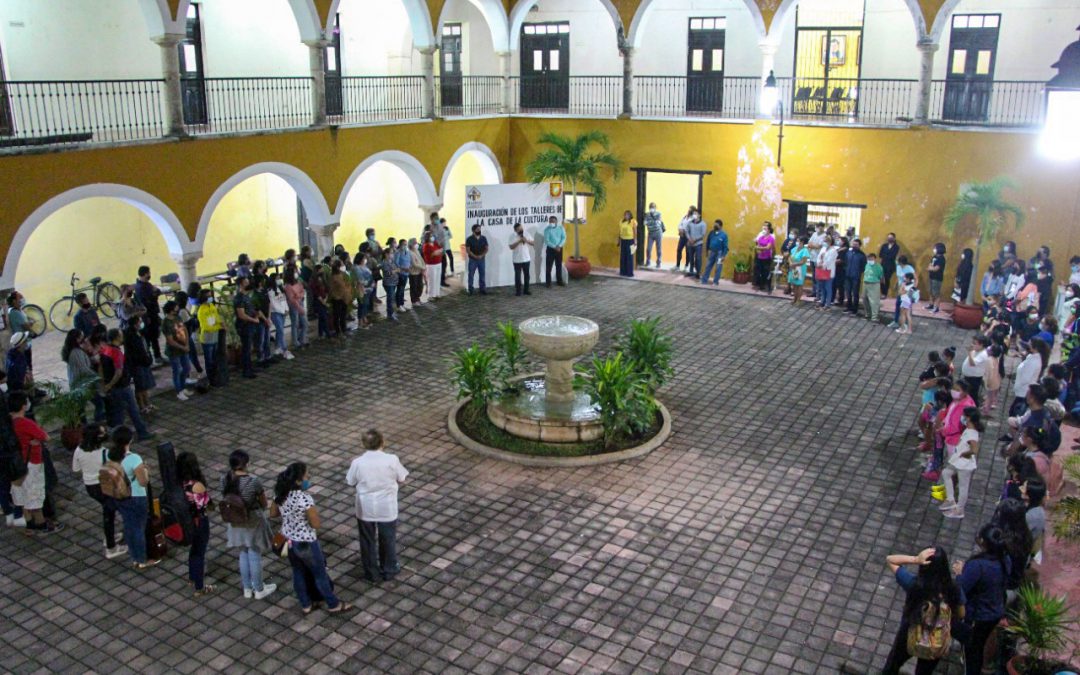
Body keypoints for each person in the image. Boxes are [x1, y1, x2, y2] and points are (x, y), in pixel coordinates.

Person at [271, 462, 352, 614]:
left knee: (298, 572)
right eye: (307, 476)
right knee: (319, 573)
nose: (309, 478)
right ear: (298, 481)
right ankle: (333, 604)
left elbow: (273, 514)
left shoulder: (280, 493)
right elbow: (315, 524)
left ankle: (306, 604)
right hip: (305, 542)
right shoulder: (304, 499)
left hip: (287, 540)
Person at [881, 546, 964, 675]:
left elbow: (890, 560)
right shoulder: (954, 589)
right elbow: (961, 614)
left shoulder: (914, 584)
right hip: (936, 640)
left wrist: (915, 559)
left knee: (893, 665)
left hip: (910, 633)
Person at [345, 429, 409, 583]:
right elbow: (402, 478)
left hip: (365, 507)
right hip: (386, 507)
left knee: (367, 540)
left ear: (363, 444)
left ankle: (371, 572)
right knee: (387, 538)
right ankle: (389, 569)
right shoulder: (392, 460)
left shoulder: (358, 462)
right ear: (383, 442)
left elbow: (350, 481)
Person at [220, 450, 276, 600]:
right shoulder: (253, 481)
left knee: (243, 553)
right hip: (251, 521)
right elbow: (263, 503)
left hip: (234, 521)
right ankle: (258, 589)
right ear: (246, 464)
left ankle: (246, 588)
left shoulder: (224, 479)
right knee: (254, 553)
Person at [954, 525, 1010, 675]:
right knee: (978, 644)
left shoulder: (978, 565)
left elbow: (960, 589)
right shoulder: (1005, 559)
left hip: (978, 615)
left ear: (984, 542)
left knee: (972, 650)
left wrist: (960, 574)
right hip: (995, 611)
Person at [8, 392, 61, 534]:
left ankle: (28, 524)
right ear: (23, 406)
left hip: (15, 465)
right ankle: (41, 523)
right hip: (31, 462)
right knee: (35, 494)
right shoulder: (25, 423)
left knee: (22, 494)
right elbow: (46, 437)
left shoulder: (7, 424)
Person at [71, 422, 124, 557]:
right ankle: (111, 547)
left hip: (90, 487)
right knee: (109, 513)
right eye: (102, 432)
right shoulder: (104, 453)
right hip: (103, 486)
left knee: (108, 511)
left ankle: (110, 536)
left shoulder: (79, 450)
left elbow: (75, 469)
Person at [109, 426, 157, 568]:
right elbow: (143, 482)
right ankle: (141, 559)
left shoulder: (110, 456)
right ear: (130, 440)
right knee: (138, 528)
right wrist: (146, 471)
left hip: (118, 496)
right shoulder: (134, 458)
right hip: (136, 496)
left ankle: (134, 555)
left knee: (129, 525)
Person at [97, 329, 153, 440]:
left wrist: (105, 383)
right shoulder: (116, 352)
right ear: (117, 337)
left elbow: (100, 368)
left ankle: (117, 436)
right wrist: (110, 384)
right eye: (121, 335)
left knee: (118, 414)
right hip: (122, 386)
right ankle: (142, 432)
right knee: (133, 410)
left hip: (112, 388)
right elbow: (119, 372)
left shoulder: (105, 350)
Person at [176, 451, 214, 595]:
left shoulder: (179, 483)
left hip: (186, 521)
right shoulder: (196, 485)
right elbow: (206, 504)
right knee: (200, 552)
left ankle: (192, 577)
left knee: (194, 551)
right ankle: (200, 586)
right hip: (199, 521)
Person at [938, 406, 983, 519]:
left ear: (968, 418)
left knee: (963, 487)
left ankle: (959, 510)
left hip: (965, 464)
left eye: (963, 415)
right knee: (946, 473)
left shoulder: (972, 434)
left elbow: (975, 449)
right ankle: (950, 499)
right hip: (959, 461)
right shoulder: (968, 430)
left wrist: (965, 454)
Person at [123, 315, 156, 416]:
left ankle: (148, 403)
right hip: (137, 364)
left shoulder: (139, 333)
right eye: (139, 321)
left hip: (144, 362)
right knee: (140, 386)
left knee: (145, 385)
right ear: (135, 324)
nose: (141, 323)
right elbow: (134, 352)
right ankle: (142, 406)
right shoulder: (130, 336)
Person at [161, 301, 193, 401]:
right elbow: (170, 341)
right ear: (170, 310)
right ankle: (179, 391)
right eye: (175, 307)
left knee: (187, 368)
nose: (177, 308)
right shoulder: (166, 323)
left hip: (183, 347)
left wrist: (187, 343)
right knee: (177, 370)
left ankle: (183, 387)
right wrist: (183, 347)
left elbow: (185, 330)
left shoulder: (178, 318)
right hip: (174, 351)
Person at [134, 266, 164, 364]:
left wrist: (155, 292)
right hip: (148, 316)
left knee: (154, 337)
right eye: (148, 272)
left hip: (151, 314)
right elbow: (150, 299)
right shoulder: (141, 287)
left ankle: (157, 356)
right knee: (150, 338)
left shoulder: (146, 285)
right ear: (145, 273)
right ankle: (153, 357)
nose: (149, 274)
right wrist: (155, 294)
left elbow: (157, 292)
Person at [233, 277, 261, 379]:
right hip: (244, 326)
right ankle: (246, 370)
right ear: (241, 284)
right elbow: (241, 314)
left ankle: (250, 367)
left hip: (250, 324)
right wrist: (254, 320)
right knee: (246, 349)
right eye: (246, 282)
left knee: (249, 348)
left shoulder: (246, 296)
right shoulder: (239, 298)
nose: (248, 283)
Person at [7, 292, 37, 374]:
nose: (22, 299)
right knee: (27, 365)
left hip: (25, 340)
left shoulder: (18, 310)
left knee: (28, 364)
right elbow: (25, 325)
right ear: (14, 301)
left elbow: (25, 318)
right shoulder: (14, 313)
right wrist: (32, 330)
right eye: (19, 298)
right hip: (22, 341)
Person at [266, 273, 295, 360]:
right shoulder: (270, 291)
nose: (279, 280)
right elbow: (273, 304)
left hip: (283, 312)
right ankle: (285, 350)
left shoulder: (280, 288)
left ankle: (277, 347)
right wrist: (282, 311)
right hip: (276, 313)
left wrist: (286, 309)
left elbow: (284, 300)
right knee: (281, 330)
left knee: (280, 330)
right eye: (277, 279)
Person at [196, 289, 221, 379]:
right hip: (207, 338)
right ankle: (211, 377)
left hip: (215, 336)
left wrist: (220, 323)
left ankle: (216, 376)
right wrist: (218, 327)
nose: (211, 297)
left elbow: (216, 317)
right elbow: (206, 326)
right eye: (209, 296)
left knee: (214, 358)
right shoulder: (201, 310)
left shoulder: (211, 306)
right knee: (209, 359)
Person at [283, 269, 309, 350]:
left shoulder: (298, 282)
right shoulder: (288, 286)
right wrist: (299, 306)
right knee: (295, 324)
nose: (296, 274)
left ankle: (302, 339)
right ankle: (296, 342)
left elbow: (302, 291)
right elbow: (291, 299)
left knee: (304, 323)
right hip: (294, 306)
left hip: (299, 302)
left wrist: (298, 295)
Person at [700, 219, 729, 286]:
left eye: (717, 225)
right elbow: (707, 242)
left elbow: (725, 246)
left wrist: (723, 256)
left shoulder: (724, 235)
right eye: (714, 224)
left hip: (720, 253)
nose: (715, 226)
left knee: (718, 268)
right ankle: (704, 280)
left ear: (721, 226)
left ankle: (715, 282)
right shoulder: (711, 233)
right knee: (708, 266)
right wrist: (707, 251)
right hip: (712, 252)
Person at [843, 238, 867, 314]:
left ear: (859, 246)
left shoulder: (862, 255)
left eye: (856, 245)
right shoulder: (848, 253)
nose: (854, 246)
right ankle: (848, 307)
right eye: (853, 244)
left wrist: (858, 272)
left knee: (855, 293)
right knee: (848, 292)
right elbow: (845, 262)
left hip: (856, 277)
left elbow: (863, 266)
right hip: (847, 275)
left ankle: (854, 309)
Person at [328, 260, 351, 336]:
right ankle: (338, 331)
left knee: (343, 315)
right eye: (341, 265)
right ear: (338, 267)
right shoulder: (334, 276)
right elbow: (332, 288)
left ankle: (344, 329)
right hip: (337, 298)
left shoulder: (343, 274)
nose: (343, 266)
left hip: (344, 297)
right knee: (337, 315)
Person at [511, 222, 535, 294]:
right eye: (519, 229)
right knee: (518, 276)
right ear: (515, 230)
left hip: (526, 259)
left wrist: (526, 240)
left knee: (527, 276)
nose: (521, 230)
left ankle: (526, 290)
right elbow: (511, 247)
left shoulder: (526, 234)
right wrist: (519, 241)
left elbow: (533, 243)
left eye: (521, 228)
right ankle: (518, 291)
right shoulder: (512, 236)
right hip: (517, 260)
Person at [464, 224, 489, 296]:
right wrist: (475, 256)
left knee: (482, 274)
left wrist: (481, 255)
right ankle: (470, 290)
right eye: (477, 229)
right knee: (471, 275)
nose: (479, 230)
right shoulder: (469, 239)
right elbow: (468, 250)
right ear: (473, 230)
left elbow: (486, 248)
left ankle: (482, 289)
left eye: (479, 229)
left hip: (482, 259)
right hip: (472, 260)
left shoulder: (483, 238)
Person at [543, 216, 567, 288]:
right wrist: (555, 247)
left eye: (553, 221)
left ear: (556, 222)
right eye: (550, 221)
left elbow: (564, 238)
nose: (551, 223)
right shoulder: (546, 230)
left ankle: (559, 281)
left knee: (559, 265)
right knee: (548, 267)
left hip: (559, 249)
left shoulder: (561, 228)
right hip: (550, 249)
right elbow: (547, 241)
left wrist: (559, 246)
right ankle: (548, 283)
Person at [815, 235, 838, 309]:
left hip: (828, 271)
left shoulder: (833, 250)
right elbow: (819, 257)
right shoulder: (823, 249)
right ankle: (822, 301)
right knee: (822, 287)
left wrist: (823, 265)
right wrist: (818, 263)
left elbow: (829, 260)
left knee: (828, 288)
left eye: (825, 241)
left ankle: (827, 304)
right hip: (821, 270)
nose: (824, 243)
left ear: (830, 242)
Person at [787, 236, 810, 305]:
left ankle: (798, 299)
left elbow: (803, 261)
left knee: (799, 284)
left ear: (802, 242)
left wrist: (794, 264)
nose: (797, 242)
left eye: (798, 241)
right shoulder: (795, 249)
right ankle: (794, 298)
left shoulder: (805, 250)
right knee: (794, 283)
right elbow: (790, 257)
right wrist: (791, 263)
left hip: (800, 268)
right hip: (793, 268)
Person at [753, 222, 776, 292]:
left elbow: (768, 247)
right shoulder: (761, 237)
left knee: (765, 272)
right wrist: (758, 250)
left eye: (765, 229)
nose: (764, 230)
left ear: (769, 230)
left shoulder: (771, 238)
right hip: (760, 256)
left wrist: (759, 248)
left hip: (767, 257)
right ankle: (760, 285)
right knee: (759, 271)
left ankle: (766, 286)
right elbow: (758, 245)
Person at [861, 252, 884, 322]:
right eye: (869, 258)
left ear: (874, 259)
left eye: (871, 258)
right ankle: (868, 314)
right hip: (865, 283)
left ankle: (874, 317)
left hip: (874, 284)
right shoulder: (867, 265)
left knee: (874, 301)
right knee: (865, 299)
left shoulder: (878, 267)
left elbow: (881, 277)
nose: (870, 260)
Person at [422, 232, 444, 301]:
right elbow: (433, 254)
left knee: (437, 279)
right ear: (427, 237)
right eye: (431, 236)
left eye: (432, 236)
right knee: (431, 280)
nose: (432, 237)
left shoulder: (435, 243)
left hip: (438, 263)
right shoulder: (426, 246)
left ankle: (436, 294)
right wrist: (437, 252)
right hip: (431, 265)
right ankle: (430, 295)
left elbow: (441, 250)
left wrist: (437, 252)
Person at [379, 249, 399, 322]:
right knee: (390, 298)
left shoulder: (392, 261)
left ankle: (392, 312)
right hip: (388, 283)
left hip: (394, 282)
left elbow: (397, 267)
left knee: (392, 298)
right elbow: (388, 273)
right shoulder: (384, 263)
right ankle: (390, 314)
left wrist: (396, 270)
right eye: (391, 253)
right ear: (386, 254)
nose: (392, 255)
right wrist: (396, 270)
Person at [685, 211, 705, 278]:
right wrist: (689, 239)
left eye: (696, 214)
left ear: (699, 215)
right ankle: (691, 271)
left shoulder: (703, 224)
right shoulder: (690, 223)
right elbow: (687, 231)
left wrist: (695, 240)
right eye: (693, 214)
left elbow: (703, 235)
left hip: (698, 244)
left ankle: (698, 273)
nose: (694, 215)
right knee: (691, 258)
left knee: (698, 258)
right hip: (690, 243)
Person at [405, 239, 426, 307]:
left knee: (420, 286)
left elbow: (421, 259)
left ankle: (418, 298)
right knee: (414, 287)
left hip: (419, 271)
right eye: (415, 243)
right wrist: (422, 267)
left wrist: (424, 265)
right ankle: (414, 300)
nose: (417, 244)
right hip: (413, 273)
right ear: (411, 244)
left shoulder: (416, 250)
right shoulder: (410, 253)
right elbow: (414, 263)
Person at [643, 203, 664, 268]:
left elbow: (658, 223)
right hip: (650, 233)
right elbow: (644, 223)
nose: (651, 208)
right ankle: (648, 261)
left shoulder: (658, 214)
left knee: (659, 248)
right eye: (650, 207)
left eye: (653, 207)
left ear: (655, 208)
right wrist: (650, 222)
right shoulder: (647, 214)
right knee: (648, 249)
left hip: (658, 233)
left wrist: (649, 222)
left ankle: (658, 262)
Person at [926, 244, 946, 313]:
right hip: (931, 277)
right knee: (931, 292)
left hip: (937, 278)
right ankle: (931, 304)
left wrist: (930, 268)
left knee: (936, 293)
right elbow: (930, 265)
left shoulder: (942, 259)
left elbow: (936, 269)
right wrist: (930, 268)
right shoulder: (934, 257)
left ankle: (936, 307)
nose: (934, 249)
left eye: (935, 248)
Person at [674, 206, 695, 271]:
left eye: (690, 209)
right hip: (682, 236)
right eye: (689, 209)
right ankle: (677, 265)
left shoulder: (693, 218)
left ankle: (686, 266)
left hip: (688, 236)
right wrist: (680, 229)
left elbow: (691, 227)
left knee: (688, 251)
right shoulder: (684, 217)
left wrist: (684, 230)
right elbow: (680, 224)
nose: (689, 210)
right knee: (679, 250)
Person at [393, 240, 411, 313]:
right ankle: (398, 305)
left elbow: (408, 261)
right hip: (401, 274)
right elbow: (396, 263)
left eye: (406, 244)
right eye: (404, 244)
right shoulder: (398, 252)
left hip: (406, 273)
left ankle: (402, 304)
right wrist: (404, 268)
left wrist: (409, 268)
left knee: (402, 289)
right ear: (400, 245)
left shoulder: (406, 252)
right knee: (400, 290)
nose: (405, 246)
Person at [618, 210, 636, 278]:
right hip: (623, 240)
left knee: (630, 256)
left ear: (630, 215)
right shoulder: (621, 221)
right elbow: (620, 231)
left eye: (627, 215)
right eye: (625, 215)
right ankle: (623, 272)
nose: (626, 216)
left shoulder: (633, 221)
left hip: (630, 241)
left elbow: (635, 232)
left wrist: (635, 241)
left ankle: (629, 272)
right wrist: (619, 240)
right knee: (623, 256)